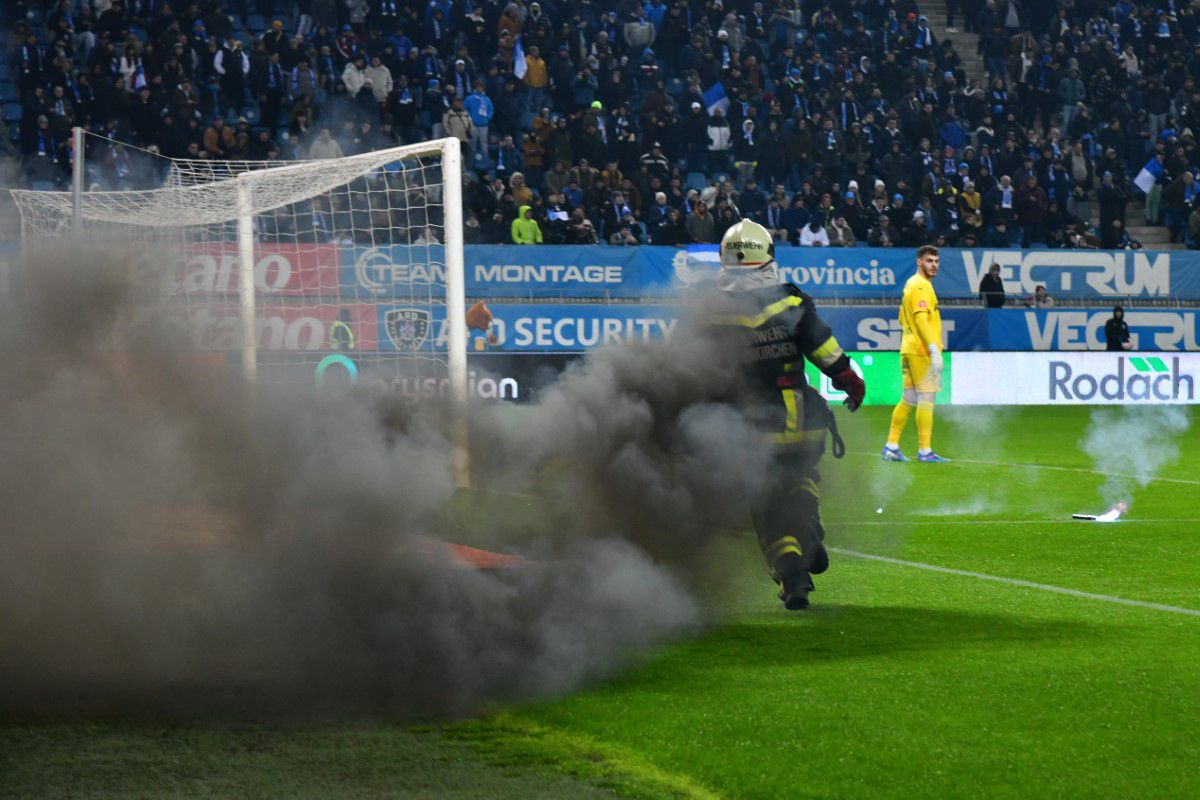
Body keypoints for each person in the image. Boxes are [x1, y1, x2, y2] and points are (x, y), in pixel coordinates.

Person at [711, 219, 865, 610]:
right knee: (800, 477)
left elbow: (691, 373)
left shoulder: (711, 312)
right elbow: (825, 350)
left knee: (764, 501)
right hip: (800, 421)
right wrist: (850, 382)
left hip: (747, 428)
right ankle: (808, 533)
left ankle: (793, 575)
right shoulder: (791, 302)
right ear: (768, 257)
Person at [882, 245, 950, 463]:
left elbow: (902, 317)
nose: (934, 265)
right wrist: (933, 349)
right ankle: (925, 451)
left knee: (909, 398)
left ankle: (891, 447)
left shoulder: (911, 284)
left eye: (936, 261)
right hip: (920, 351)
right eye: (929, 260)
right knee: (927, 398)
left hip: (909, 347)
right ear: (918, 262)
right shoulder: (921, 286)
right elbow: (920, 319)